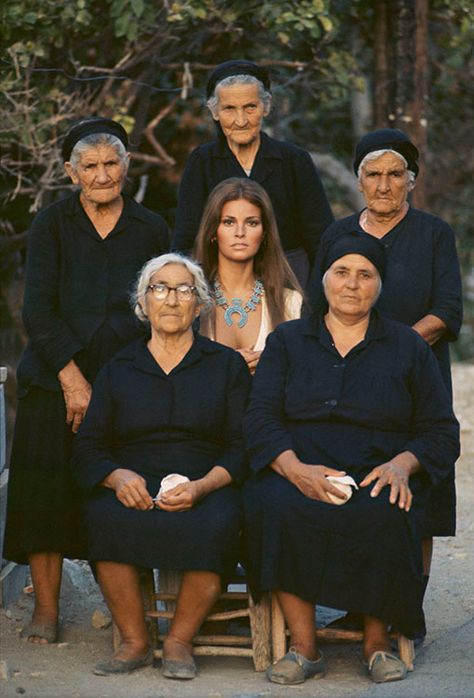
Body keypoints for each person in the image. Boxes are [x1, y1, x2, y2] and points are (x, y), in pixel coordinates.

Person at [243, 233, 459, 686]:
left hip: (376, 472)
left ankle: (376, 644)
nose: (352, 284)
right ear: (323, 280)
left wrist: (404, 464)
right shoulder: (288, 341)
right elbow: (259, 419)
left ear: (380, 285)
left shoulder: (407, 346)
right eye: (341, 272)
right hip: (299, 470)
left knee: (387, 509)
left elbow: (440, 431)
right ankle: (304, 649)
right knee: (274, 506)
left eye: (366, 275)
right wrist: (294, 469)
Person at [3, 117, 169, 645]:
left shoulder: (151, 227)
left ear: (127, 165)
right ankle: (46, 611)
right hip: (55, 375)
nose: (102, 175)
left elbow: (154, 305)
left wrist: (111, 380)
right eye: (90, 166)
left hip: (125, 375)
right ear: (71, 172)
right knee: (44, 490)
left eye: (111, 163)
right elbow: (38, 310)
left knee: (128, 489)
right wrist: (74, 379)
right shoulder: (52, 223)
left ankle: (131, 618)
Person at [307, 128, 463, 621]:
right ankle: (362, 605)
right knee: (359, 484)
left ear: (411, 181)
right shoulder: (337, 235)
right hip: (348, 378)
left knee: (418, 497)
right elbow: (318, 306)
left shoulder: (434, 233)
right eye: (373, 175)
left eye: (395, 174)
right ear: (358, 181)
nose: (384, 185)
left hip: (419, 377)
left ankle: (407, 609)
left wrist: (398, 349)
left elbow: (447, 311)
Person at [72, 254, 251, 679]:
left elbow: (244, 446)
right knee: (101, 514)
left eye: (184, 289)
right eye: (160, 288)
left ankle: (179, 641)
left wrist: (204, 487)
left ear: (200, 304)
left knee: (222, 521)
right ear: (143, 303)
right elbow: (89, 447)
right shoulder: (119, 368)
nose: (171, 299)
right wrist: (117, 477)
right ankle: (135, 641)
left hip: (205, 483)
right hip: (135, 483)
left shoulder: (225, 366)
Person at [172, 59, 334, 285]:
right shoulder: (202, 161)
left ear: (265, 107)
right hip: (221, 283)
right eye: (229, 108)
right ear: (215, 112)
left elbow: (320, 236)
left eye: (250, 107)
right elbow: (186, 237)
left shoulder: (293, 160)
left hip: (290, 279)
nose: (241, 121)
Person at [193, 177, 303, 374]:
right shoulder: (189, 300)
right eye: (228, 222)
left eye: (251, 223)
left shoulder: (290, 303)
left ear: (265, 233)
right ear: (213, 232)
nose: (240, 232)